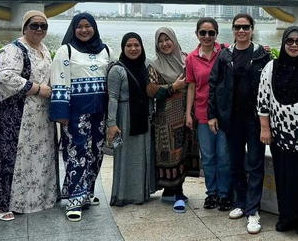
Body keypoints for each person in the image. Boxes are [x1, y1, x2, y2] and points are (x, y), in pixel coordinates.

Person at [0, 10, 57, 220]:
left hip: (41, 117)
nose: (38, 30)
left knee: (38, 158)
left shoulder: (44, 49)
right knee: (12, 159)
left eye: (43, 26)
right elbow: (3, 76)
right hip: (18, 117)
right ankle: (2, 205)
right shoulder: (14, 49)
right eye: (34, 25)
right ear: (24, 27)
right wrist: (36, 88)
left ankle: (37, 199)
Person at [209, 13, 272, 235]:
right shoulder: (225, 55)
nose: (241, 31)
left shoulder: (263, 55)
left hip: (255, 120)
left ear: (252, 29)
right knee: (235, 162)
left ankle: (253, 210)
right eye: (237, 27)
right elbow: (214, 85)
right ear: (233, 29)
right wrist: (212, 114)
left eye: (246, 27)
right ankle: (241, 202)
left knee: (255, 164)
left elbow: (270, 87)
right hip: (231, 119)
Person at [257, 26, 298, 236]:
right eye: (290, 41)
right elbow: (262, 100)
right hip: (279, 135)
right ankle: (287, 217)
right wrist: (265, 129)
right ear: (284, 43)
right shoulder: (271, 67)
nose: (294, 45)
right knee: (283, 176)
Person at [50, 13, 112, 221]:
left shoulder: (106, 50)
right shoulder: (66, 51)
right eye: (80, 27)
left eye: (88, 26)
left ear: (94, 28)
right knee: (76, 153)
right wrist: (61, 113)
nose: (84, 30)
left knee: (96, 152)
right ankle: (75, 199)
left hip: (100, 113)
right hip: (76, 113)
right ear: (73, 29)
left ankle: (87, 191)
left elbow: (112, 81)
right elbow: (59, 81)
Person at [147, 27, 200, 213]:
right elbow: (151, 91)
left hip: (188, 111)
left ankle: (171, 191)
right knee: (173, 152)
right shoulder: (153, 64)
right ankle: (178, 193)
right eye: (160, 41)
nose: (164, 44)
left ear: (174, 40)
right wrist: (173, 86)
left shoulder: (187, 58)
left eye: (167, 39)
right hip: (167, 117)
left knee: (186, 149)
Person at [185, 17, 231, 211]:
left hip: (224, 114)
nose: (207, 36)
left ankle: (224, 194)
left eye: (211, 33)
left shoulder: (226, 52)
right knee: (209, 157)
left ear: (216, 35)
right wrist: (188, 113)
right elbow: (192, 87)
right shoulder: (192, 58)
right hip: (203, 114)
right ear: (197, 34)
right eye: (203, 32)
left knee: (224, 156)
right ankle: (211, 193)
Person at [107, 32, 156, 206]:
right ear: (123, 48)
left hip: (144, 115)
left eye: (137, 45)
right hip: (125, 117)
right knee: (125, 155)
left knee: (143, 154)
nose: (133, 49)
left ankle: (141, 194)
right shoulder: (117, 69)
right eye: (129, 46)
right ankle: (123, 194)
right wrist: (111, 124)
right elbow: (112, 97)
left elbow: (154, 88)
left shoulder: (147, 64)